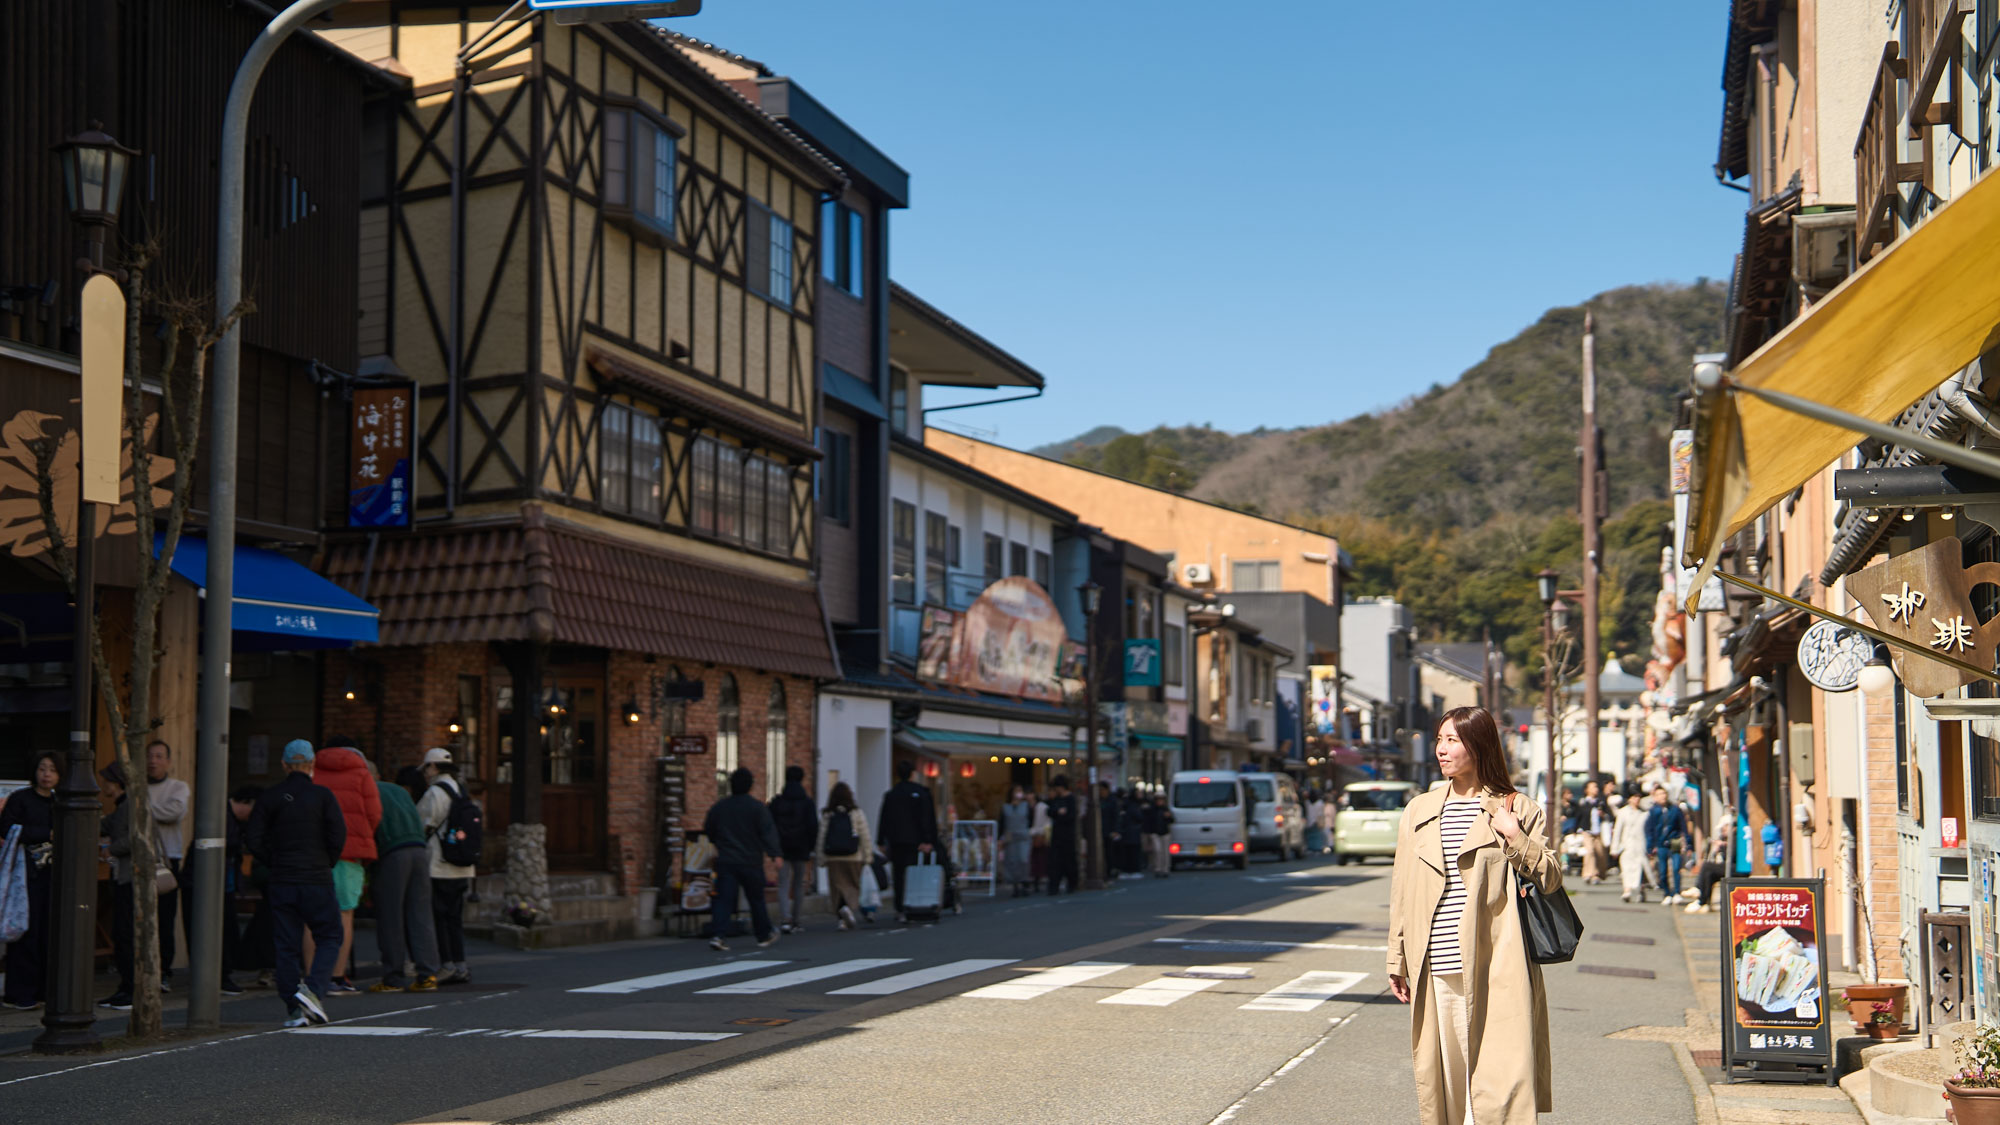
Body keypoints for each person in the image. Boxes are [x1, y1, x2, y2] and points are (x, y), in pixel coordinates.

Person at [1387, 706, 1561, 1125]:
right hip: (1436, 964)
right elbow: (1402, 888)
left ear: (1479, 746)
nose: (1441, 750)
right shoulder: (1419, 809)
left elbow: (1551, 877)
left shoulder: (1517, 808)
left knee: (1494, 1088)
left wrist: (1514, 834)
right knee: (1447, 1084)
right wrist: (1397, 957)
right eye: (1440, 739)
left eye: (1452, 740)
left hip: (1495, 965)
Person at [243, 740, 345, 1027]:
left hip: (283, 878)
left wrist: (273, 861)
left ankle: (293, 1007)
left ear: (285, 765)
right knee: (329, 935)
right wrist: (327, 861)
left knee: (286, 944)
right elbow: (338, 834)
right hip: (316, 877)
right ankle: (313, 990)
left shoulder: (270, 797)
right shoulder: (322, 796)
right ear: (312, 764)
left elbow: (253, 838)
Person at [312, 738, 381, 993]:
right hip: (350, 853)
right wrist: (362, 836)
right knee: (344, 913)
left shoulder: (312, 771)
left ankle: (312, 976)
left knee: (311, 916)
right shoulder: (362, 773)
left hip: (314, 853)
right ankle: (337, 977)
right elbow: (374, 813)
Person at [370, 758, 438, 992]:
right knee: (420, 913)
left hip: (392, 852)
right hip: (419, 849)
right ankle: (427, 974)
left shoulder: (369, 792)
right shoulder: (398, 791)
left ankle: (394, 977)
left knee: (391, 916)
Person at [0, 750, 58, 1009]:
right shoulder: (20, 798)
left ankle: (43, 991)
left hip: (53, 876)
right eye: (42, 768)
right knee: (26, 932)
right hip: (25, 875)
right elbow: (7, 829)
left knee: (49, 933)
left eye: (53, 769)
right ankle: (19, 993)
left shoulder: (60, 801)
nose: (47, 774)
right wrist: (45, 833)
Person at [702, 766, 781, 951]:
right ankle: (764, 934)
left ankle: (718, 934)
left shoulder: (720, 807)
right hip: (750, 860)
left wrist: (719, 843)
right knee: (756, 899)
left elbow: (709, 829)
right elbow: (767, 832)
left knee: (724, 899)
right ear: (750, 786)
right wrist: (775, 854)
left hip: (727, 860)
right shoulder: (757, 808)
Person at [417, 748, 475, 985]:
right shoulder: (462, 790)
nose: (425, 773)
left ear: (433, 767)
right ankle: (460, 965)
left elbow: (422, 825)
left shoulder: (434, 792)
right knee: (455, 918)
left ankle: (446, 965)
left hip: (439, 864)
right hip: (463, 864)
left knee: (439, 917)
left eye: (426, 768)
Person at [145, 739, 190, 989]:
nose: (153, 761)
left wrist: (142, 808)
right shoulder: (137, 786)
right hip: (140, 858)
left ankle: (163, 971)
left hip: (167, 859)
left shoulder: (178, 787)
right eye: (150, 756)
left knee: (164, 917)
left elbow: (174, 812)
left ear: (169, 761)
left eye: (159, 756)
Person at [876, 761, 939, 923]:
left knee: (898, 875)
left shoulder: (891, 794)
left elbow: (884, 818)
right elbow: (927, 818)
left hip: (896, 840)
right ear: (912, 773)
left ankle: (900, 908)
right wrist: (928, 839)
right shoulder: (921, 793)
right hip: (916, 841)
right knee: (915, 873)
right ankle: (916, 903)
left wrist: (881, 840)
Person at [97, 762, 137, 1010]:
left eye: (107, 781)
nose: (103, 786)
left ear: (117, 782)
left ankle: (129, 989)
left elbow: (135, 838)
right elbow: (106, 825)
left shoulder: (130, 805)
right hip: (125, 876)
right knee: (123, 933)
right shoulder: (124, 806)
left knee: (125, 934)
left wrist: (111, 849)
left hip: (129, 876)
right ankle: (127, 987)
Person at [767, 765, 817, 935]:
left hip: (781, 848)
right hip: (802, 847)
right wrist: (811, 846)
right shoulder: (807, 803)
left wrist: (773, 849)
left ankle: (785, 920)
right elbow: (813, 827)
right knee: (798, 884)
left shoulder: (777, 802)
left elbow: (770, 826)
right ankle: (796, 920)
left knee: (783, 883)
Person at [816, 781, 873, 929]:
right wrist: (868, 856)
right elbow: (864, 835)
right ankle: (849, 909)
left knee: (837, 888)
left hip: (833, 857)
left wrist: (820, 857)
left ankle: (841, 916)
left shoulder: (828, 814)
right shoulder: (856, 812)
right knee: (852, 886)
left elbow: (822, 837)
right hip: (854, 856)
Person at [1644, 784, 1690, 906]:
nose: (1662, 796)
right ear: (1655, 797)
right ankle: (1667, 893)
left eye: (1664, 794)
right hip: (1660, 844)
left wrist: (1688, 842)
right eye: (1659, 794)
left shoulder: (1675, 809)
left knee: (1676, 868)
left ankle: (1676, 893)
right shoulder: (1653, 812)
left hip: (1674, 842)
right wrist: (1650, 846)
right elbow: (1649, 830)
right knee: (1662, 871)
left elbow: (1683, 827)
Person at [1609, 791, 1650, 903]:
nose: (1637, 799)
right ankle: (1627, 891)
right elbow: (1617, 831)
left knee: (1639, 870)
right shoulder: (1623, 813)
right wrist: (1614, 848)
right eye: (1634, 797)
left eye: (1638, 797)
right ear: (1629, 799)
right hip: (1626, 845)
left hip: (1641, 845)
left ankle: (1640, 890)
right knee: (1626, 869)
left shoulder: (1644, 813)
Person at [1044, 775, 1080, 894]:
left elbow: (1070, 816)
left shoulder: (1070, 799)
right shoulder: (1056, 799)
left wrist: (1058, 813)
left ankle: (1071, 883)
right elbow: (1049, 811)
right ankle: (1054, 886)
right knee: (1055, 861)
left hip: (1067, 834)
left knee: (1068, 860)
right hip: (1057, 834)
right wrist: (1058, 812)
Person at [999, 786, 1035, 896]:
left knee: (1023, 859)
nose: (1018, 794)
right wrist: (1000, 839)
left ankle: (1024, 881)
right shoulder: (1005, 807)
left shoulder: (1026, 806)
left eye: (1020, 791)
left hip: (1023, 835)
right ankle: (1015, 885)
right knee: (1012, 860)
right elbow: (1001, 823)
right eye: (1016, 791)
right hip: (1010, 836)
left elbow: (1031, 820)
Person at [1143, 792, 1175, 878]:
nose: (1160, 801)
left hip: (1165, 833)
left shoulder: (1166, 809)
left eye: (1161, 799)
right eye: (1158, 799)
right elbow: (1148, 822)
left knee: (1165, 851)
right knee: (1157, 850)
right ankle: (1158, 868)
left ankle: (1165, 869)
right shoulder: (1152, 810)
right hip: (1155, 832)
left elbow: (1172, 820)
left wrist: (1168, 817)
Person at [1304, 790, 1327, 856]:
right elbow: (1321, 813)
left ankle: (1311, 848)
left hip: (1309, 821)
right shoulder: (1320, 803)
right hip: (1317, 821)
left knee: (1310, 836)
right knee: (1317, 836)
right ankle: (1317, 848)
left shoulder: (1307, 802)